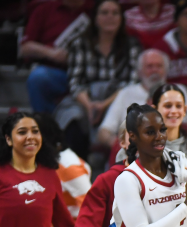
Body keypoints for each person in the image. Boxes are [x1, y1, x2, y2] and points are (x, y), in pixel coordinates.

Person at [57, 0, 141, 158]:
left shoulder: (132, 45)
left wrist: (104, 105)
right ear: (95, 18)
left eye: (115, 13)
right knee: (72, 118)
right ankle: (76, 168)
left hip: (119, 98)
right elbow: (75, 83)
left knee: (127, 117)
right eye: (104, 13)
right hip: (85, 98)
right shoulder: (80, 44)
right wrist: (90, 106)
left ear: (122, 18)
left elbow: (132, 83)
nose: (110, 17)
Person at [98, 49, 187, 147]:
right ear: (139, 72)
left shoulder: (180, 91)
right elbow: (104, 132)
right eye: (150, 66)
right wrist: (120, 145)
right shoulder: (126, 93)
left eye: (159, 66)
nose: (154, 70)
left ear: (166, 70)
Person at [22, 0, 92, 114]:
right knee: (38, 78)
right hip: (58, 72)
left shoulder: (98, 10)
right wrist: (52, 53)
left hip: (91, 72)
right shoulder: (44, 9)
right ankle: (46, 125)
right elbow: (25, 48)